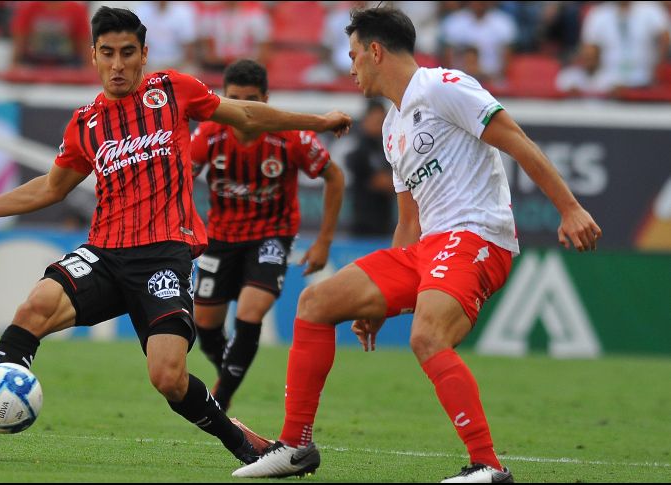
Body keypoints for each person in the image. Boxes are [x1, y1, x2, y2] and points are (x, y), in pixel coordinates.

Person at [0, 6, 351, 463]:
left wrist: (317, 122)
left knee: (168, 377)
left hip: (163, 255)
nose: (118, 64)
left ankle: (252, 447)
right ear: (93, 56)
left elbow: (244, 114)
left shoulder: (172, 90)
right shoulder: (85, 122)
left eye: (128, 53)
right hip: (104, 252)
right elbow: (50, 187)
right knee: (36, 306)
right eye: (107, 53)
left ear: (144, 54)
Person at [233, 6, 601, 482]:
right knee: (316, 302)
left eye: (353, 55)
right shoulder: (392, 126)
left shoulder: (444, 87)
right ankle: (296, 446)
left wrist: (569, 208)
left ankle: (487, 467)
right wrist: (379, 302)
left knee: (426, 336)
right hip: (429, 245)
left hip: (477, 236)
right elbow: (409, 222)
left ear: (375, 51)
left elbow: (517, 141)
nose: (350, 67)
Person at [190, 59, 345, 412]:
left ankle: (222, 396)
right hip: (221, 237)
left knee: (250, 312)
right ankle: (229, 370)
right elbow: (180, 178)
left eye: (251, 100)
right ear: (222, 99)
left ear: (266, 98)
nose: (243, 108)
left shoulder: (290, 137)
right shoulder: (210, 135)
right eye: (234, 99)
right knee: (206, 326)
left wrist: (323, 241)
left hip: (271, 236)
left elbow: (334, 177)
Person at [346, 98, 396, 236]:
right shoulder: (360, 150)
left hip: (385, 224)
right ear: (365, 121)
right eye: (376, 121)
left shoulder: (387, 148)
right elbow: (381, 182)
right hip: (364, 226)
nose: (379, 125)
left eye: (382, 121)